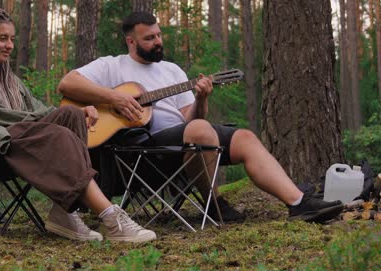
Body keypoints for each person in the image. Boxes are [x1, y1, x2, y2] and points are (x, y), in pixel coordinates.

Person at [57, 11, 344, 223]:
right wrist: (114, 97)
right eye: (149, 38)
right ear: (131, 41)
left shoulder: (172, 71)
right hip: (142, 149)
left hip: (183, 138)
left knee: (243, 137)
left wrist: (202, 98)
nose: (158, 41)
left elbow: (191, 118)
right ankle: (214, 205)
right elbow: (67, 84)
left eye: (159, 35)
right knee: (200, 131)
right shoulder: (111, 66)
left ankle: (298, 203)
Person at [0, 6, 155, 243]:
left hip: (11, 137)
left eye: (12, 39)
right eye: (2, 39)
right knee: (57, 134)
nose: (10, 45)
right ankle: (110, 217)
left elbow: (36, 109)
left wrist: (79, 110)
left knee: (71, 116)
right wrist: (46, 123)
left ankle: (63, 212)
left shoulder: (6, 77)